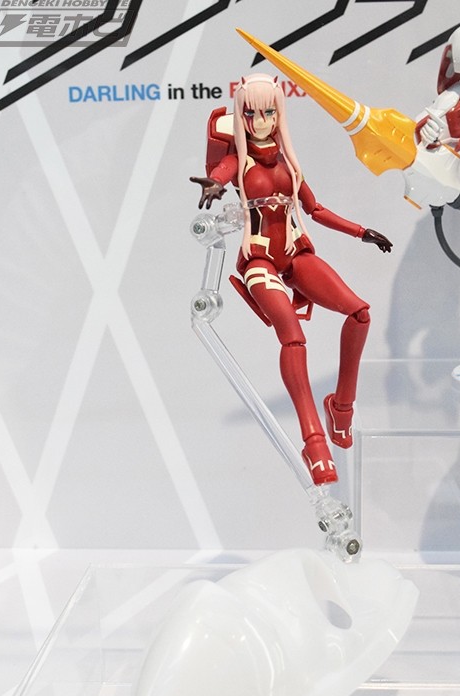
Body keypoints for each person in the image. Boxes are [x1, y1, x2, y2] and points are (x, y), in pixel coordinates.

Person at [191, 73, 392, 485]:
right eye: (252, 113)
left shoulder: (288, 161)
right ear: (242, 116)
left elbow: (315, 210)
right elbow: (223, 172)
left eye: (268, 112)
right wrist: (215, 183)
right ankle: (314, 442)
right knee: (293, 338)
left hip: (296, 254)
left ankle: (341, 407)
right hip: (260, 261)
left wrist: (361, 232)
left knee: (360, 313)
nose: (261, 121)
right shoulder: (240, 159)